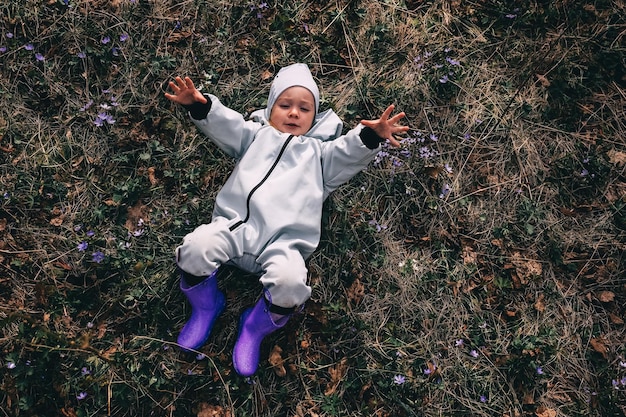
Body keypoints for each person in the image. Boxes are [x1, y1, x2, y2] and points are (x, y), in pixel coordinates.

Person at [165, 63, 408, 377]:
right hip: (236, 227)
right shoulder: (255, 136)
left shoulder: (321, 157)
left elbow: (348, 152)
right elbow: (228, 124)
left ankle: (254, 328)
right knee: (196, 248)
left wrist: (370, 136)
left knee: (291, 286)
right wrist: (200, 104)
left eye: (304, 108)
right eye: (285, 105)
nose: (294, 113)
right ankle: (206, 306)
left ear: (314, 117)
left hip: (284, 244)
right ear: (270, 110)